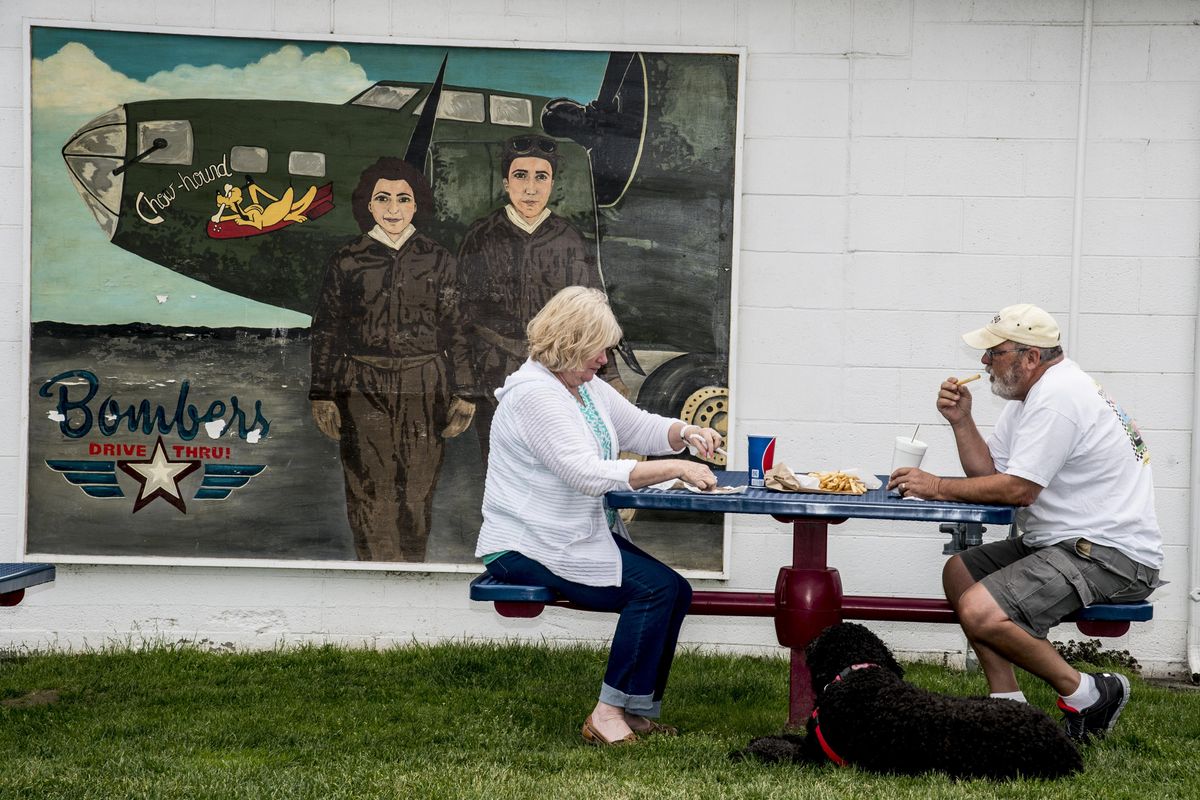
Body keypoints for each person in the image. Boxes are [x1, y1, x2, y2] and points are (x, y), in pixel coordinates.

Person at [887, 304, 1162, 743]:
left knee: (980, 609)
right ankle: (1008, 707)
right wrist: (961, 421)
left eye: (993, 353)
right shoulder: (1030, 397)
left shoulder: (1059, 397)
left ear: (1030, 357)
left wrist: (936, 485)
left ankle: (1090, 693)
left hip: (1111, 555)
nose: (983, 362)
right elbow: (989, 473)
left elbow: (1019, 491)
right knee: (960, 572)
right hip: (1064, 544)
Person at [475, 286, 722, 745]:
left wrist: (686, 432)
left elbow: (639, 425)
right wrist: (676, 466)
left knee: (674, 591)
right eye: (600, 348)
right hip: (523, 546)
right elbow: (585, 474)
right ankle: (607, 714)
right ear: (571, 342)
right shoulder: (535, 395)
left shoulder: (581, 389)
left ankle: (635, 709)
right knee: (656, 590)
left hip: (561, 537)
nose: (604, 360)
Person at [309, 157, 475, 562]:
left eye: (404, 198)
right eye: (383, 198)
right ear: (369, 204)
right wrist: (322, 393)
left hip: (424, 383)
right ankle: (376, 580)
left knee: (416, 490)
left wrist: (466, 391)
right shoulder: (347, 259)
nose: (393, 208)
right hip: (362, 385)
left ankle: (410, 577)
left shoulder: (439, 260)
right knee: (370, 487)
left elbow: (458, 328)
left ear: (417, 205)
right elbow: (327, 329)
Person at [459, 134, 626, 463]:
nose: (530, 189)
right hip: (494, 374)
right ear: (506, 183)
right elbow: (459, 315)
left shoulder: (567, 239)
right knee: (502, 465)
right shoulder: (482, 236)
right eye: (521, 176)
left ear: (552, 184)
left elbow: (592, 315)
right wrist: (464, 387)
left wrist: (611, 376)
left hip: (556, 374)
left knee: (553, 463)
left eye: (541, 177)